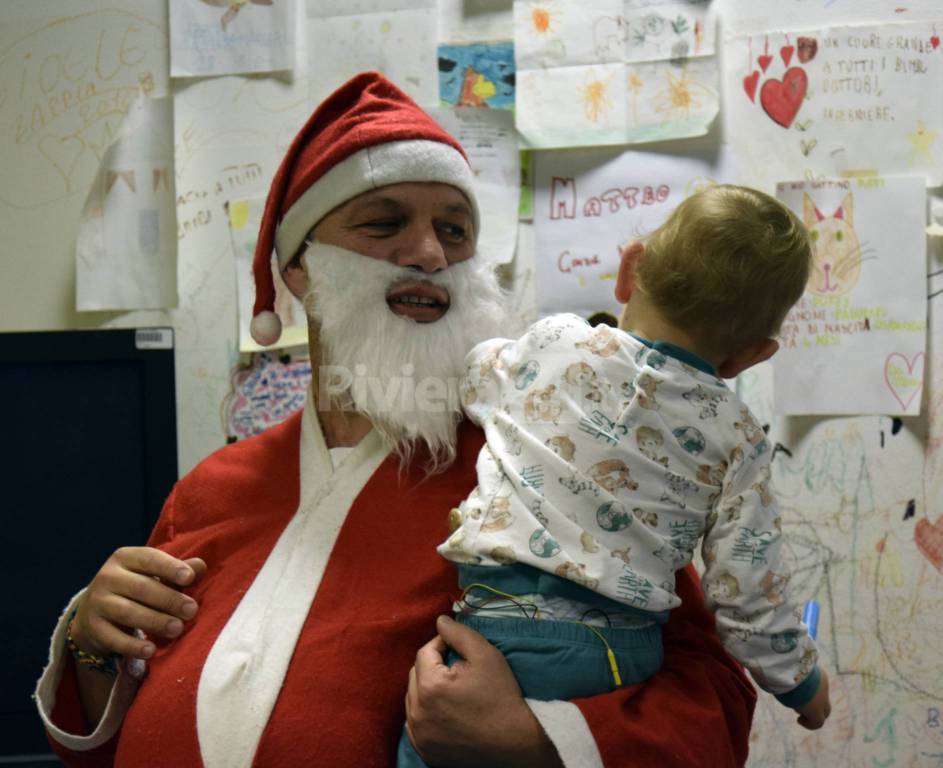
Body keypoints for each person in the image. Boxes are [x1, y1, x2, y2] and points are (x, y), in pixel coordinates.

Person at [35, 73, 757, 768]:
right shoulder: (212, 487)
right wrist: (92, 640)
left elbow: (714, 693)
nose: (427, 254)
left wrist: (535, 741)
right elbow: (106, 729)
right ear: (299, 270)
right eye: (385, 223)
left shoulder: (547, 452)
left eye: (454, 228)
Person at [396, 184, 831, 767]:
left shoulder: (553, 342)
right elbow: (746, 599)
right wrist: (804, 687)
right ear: (751, 355)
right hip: (620, 657)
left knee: (430, 748)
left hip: (498, 627)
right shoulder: (740, 440)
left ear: (628, 271)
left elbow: (474, 376)